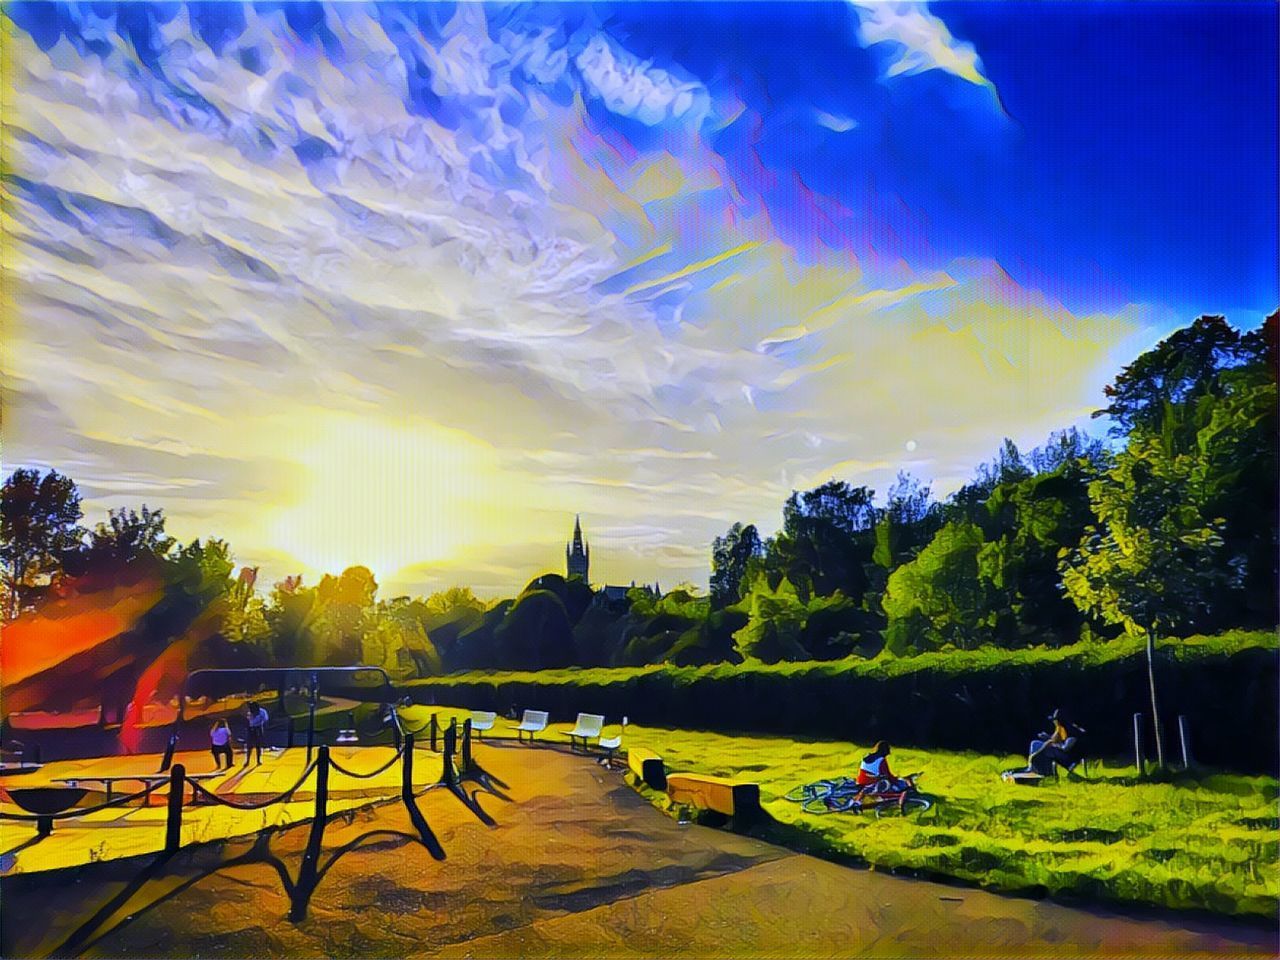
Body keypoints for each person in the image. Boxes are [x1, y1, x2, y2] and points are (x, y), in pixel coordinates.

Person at [244, 701, 269, 766]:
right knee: (249, 745)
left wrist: (261, 726)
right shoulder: (249, 712)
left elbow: (265, 720)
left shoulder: (262, 712)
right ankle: (247, 761)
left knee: (258, 745)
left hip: (258, 728)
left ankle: (258, 760)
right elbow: (247, 721)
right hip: (251, 728)